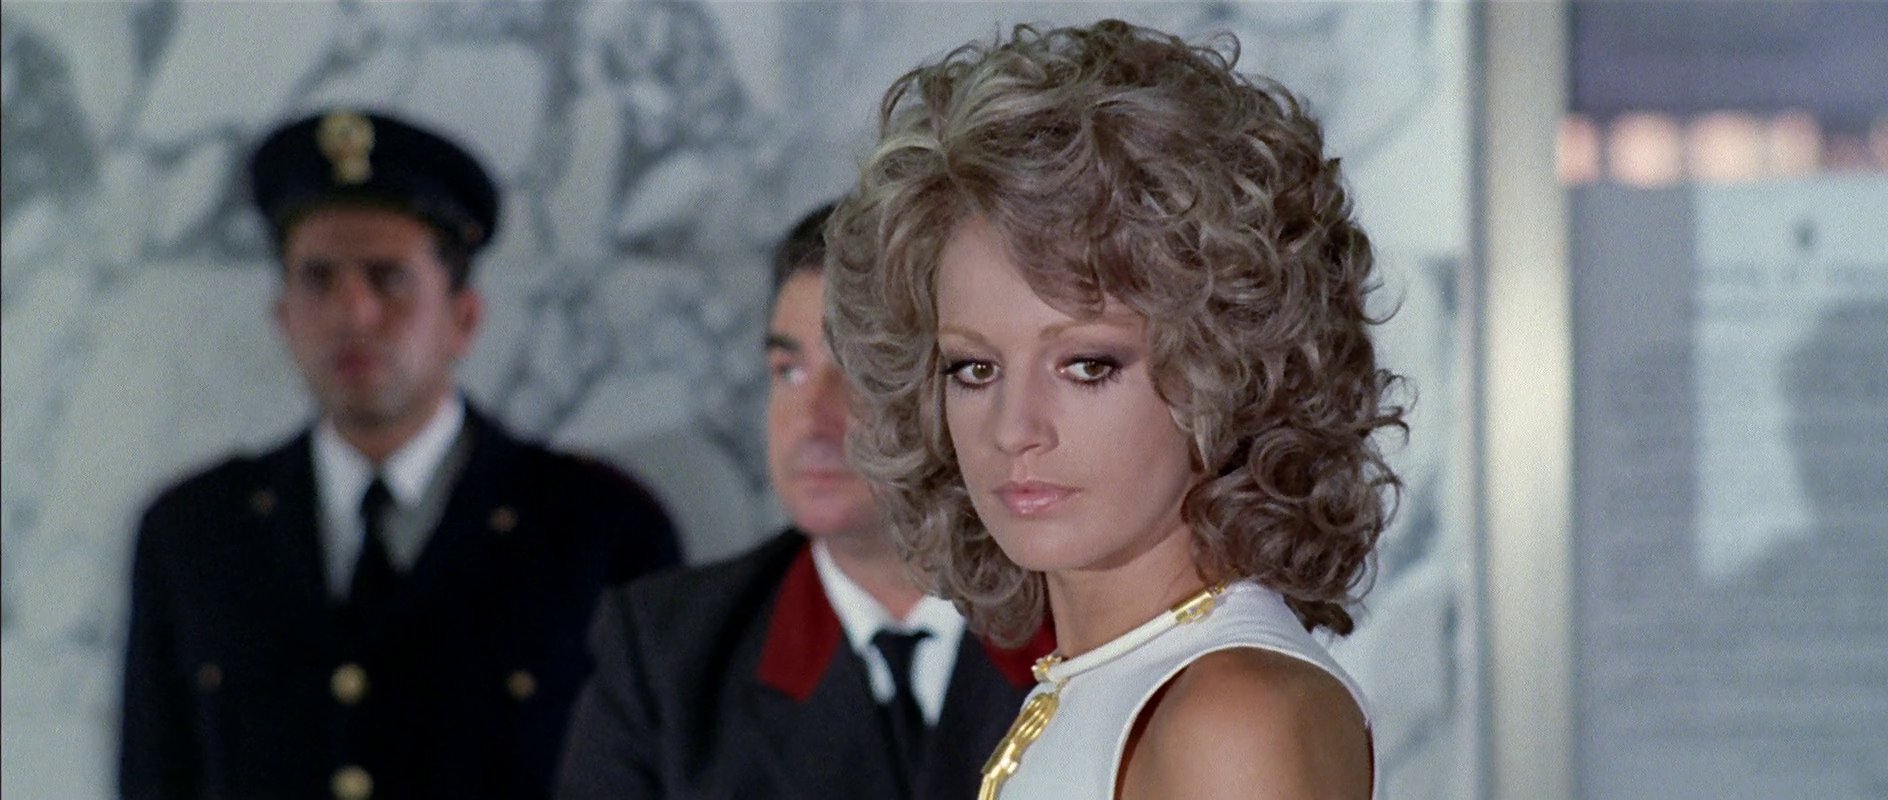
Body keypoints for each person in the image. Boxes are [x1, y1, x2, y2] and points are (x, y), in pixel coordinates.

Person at [823, 20, 1402, 800]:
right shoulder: (1116, 679)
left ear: (1230, 369)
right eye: (974, 369)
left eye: (1087, 366)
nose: (1015, 430)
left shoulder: (1233, 716)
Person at [119, 109, 682, 800]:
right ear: (282, 317)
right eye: (318, 279)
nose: (353, 314)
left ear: (463, 318)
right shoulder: (195, 535)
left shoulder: (601, 531)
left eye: (389, 278)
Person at [555, 203, 1053, 800]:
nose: (811, 421)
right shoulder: (669, 654)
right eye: (788, 371)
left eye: (860, 373)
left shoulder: (1085, 620)